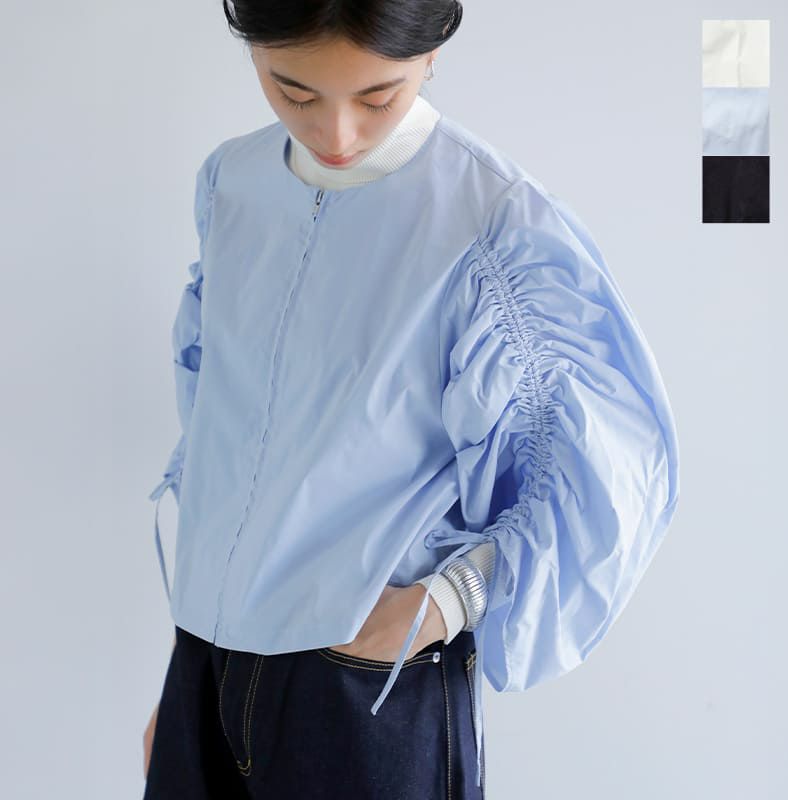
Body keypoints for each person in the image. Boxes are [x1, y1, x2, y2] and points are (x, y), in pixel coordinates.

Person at [142, 1, 681, 798]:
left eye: (377, 96)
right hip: (207, 662)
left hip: (362, 679)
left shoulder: (493, 220)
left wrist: (453, 599)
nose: (336, 134)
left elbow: (608, 466)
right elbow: (221, 436)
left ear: (430, 55)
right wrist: (188, 681)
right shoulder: (232, 182)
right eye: (294, 92)